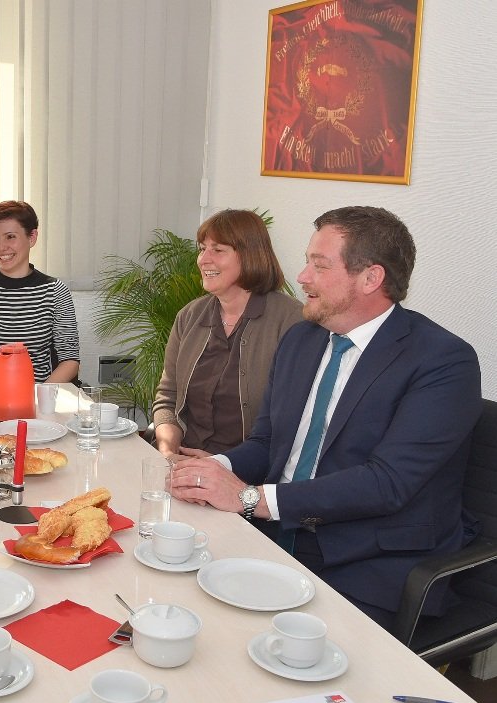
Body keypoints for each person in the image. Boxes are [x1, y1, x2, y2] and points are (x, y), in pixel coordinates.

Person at [171, 207, 482, 632]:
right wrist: (213, 470)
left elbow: (386, 483)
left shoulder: (442, 361)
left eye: (319, 265)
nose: (302, 277)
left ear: (371, 278)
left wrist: (252, 500)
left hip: (369, 559)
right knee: (176, 605)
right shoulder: (302, 338)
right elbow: (267, 441)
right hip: (278, 529)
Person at [152, 210, 304, 457]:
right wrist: (169, 453)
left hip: (248, 473)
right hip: (183, 459)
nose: (203, 259)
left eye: (218, 250)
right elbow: (168, 397)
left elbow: (291, 420)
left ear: (249, 255)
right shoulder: (190, 316)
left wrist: (224, 464)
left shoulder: (292, 321)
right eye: (202, 249)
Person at [0, 201, 79, 383]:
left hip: (40, 396)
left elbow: (70, 360)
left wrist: (37, 398)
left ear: (32, 237)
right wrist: (2, 396)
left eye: (10, 237)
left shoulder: (55, 291)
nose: (0, 247)